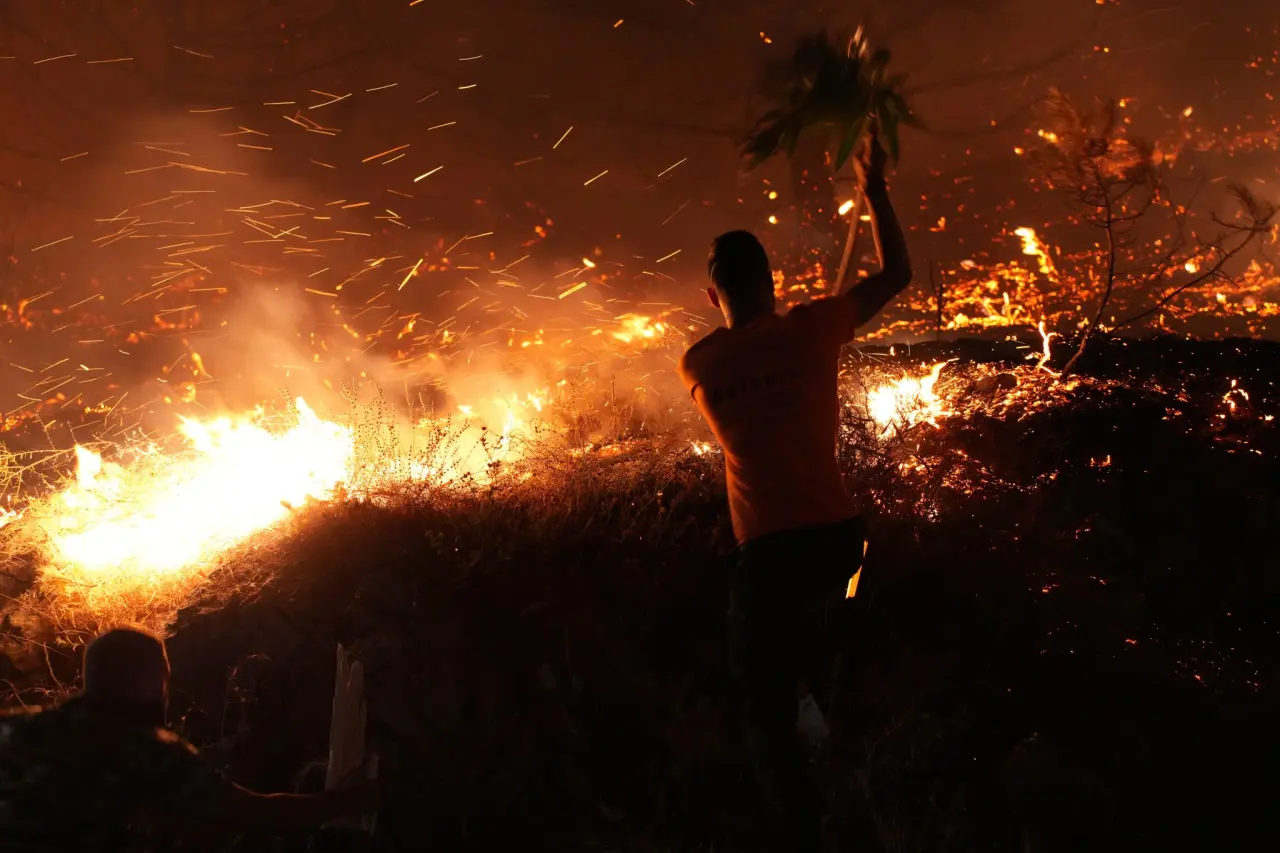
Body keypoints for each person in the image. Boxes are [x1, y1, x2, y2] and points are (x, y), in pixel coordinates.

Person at [678, 132, 912, 852]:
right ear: (773, 281)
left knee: (763, 705)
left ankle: (801, 832)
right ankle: (861, 777)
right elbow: (896, 273)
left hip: (773, 559)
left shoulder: (702, 362)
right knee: (832, 669)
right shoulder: (815, 328)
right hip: (843, 543)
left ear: (713, 292)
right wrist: (873, 190)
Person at [0, 627, 375, 852]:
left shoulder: (14, 728)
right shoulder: (147, 750)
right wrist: (344, 801)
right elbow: (253, 812)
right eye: (163, 680)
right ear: (146, 683)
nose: (166, 695)